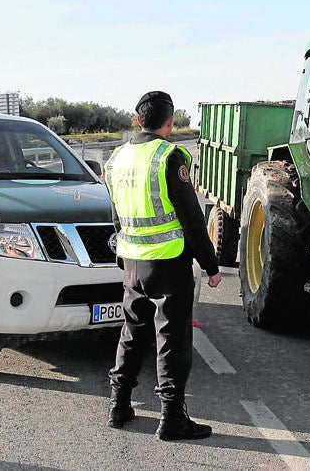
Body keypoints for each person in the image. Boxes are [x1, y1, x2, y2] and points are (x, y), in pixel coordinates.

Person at [104, 91, 222, 441]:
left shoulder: (116, 159)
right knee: (172, 338)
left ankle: (119, 405)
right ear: (169, 123)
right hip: (168, 263)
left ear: (139, 121)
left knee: (131, 333)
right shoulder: (170, 156)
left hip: (132, 262)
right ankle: (172, 419)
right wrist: (212, 265)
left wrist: (123, 255)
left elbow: (116, 216)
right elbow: (192, 218)